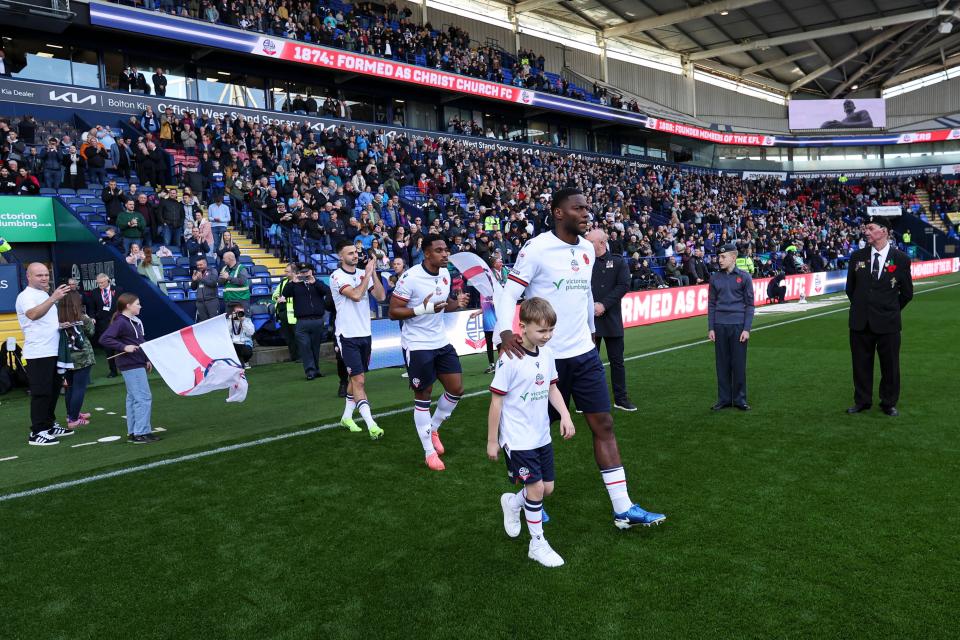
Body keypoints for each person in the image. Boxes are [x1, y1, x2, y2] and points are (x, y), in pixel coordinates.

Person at [495, 188, 666, 529]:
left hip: (584, 355)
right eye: (578, 208)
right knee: (533, 432)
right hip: (544, 359)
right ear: (559, 213)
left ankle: (623, 508)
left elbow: (586, 293)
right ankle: (524, 498)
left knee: (604, 424)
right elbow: (509, 292)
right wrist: (504, 334)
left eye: (587, 207)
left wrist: (590, 331)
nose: (586, 213)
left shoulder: (587, 249)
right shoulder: (537, 248)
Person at [487, 297, 575, 568]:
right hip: (517, 438)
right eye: (542, 330)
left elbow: (552, 388)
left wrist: (565, 415)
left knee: (547, 489)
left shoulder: (547, 354)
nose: (547, 336)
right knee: (535, 488)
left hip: (541, 435)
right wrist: (492, 440)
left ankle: (513, 504)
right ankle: (537, 544)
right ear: (523, 327)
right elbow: (496, 401)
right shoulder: (509, 359)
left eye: (551, 330)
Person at [388, 234, 470, 471]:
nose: (445, 254)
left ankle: (433, 429)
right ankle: (429, 452)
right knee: (424, 395)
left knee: (456, 389)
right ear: (426, 253)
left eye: (446, 249)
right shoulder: (410, 277)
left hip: (440, 341)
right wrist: (421, 309)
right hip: (417, 344)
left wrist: (457, 303)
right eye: (439, 250)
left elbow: (443, 306)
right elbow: (393, 312)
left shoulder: (445, 274)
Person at [845, 216, 913, 417]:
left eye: (870, 228)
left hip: (888, 322)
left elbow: (907, 293)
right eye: (865, 228)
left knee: (890, 366)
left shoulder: (901, 259)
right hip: (860, 322)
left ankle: (888, 402)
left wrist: (889, 309)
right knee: (860, 365)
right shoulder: (857, 256)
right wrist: (863, 307)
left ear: (884, 231)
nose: (866, 231)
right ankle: (862, 401)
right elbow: (850, 289)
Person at [330, 239, 387, 438]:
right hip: (347, 335)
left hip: (365, 333)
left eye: (355, 252)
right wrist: (367, 274)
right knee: (359, 380)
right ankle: (372, 425)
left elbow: (381, 296)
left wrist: (374, 273)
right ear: (341, 256)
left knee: (355, 379)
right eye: (350, 253)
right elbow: (355, 295)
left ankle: (346, 417)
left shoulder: (364, 273)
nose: (355, 255)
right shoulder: (336, 276)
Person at [15, 263, 75, 445]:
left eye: (46, 274)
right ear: (29, 276)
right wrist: (54, 298)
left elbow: (44, 322)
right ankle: (37, 432)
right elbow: (33, 315)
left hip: (53, 350)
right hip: (38, 353)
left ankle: (48, 425)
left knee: (53, 390)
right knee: (41, 392)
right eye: (39, 275)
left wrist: (60, 325)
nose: (44, 278)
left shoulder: (43, 294)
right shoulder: (25, 296)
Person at [587, 229, 636, 412]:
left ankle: (620, 399)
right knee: (588, 363)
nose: (586, 244)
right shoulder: (584, 262)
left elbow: (623, 285)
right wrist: (590, 306)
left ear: (601, 243)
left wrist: (603, 305)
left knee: (617, 362)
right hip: (589, 321)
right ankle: (588, 400)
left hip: (611, 319)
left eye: (590, 242)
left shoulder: (618, 261)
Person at [100, 293, 158, 443]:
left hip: (135, 363)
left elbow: (139, 342)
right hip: (131, 364)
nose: (140, 306)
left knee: (133, 398)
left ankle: (134, 432)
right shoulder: (121, 322)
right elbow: (104, 339)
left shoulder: (133, 322)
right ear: (128, 306)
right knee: (143, 398)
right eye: (137, 304)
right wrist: (124, 347)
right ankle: (141, 432)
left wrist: (146, 359)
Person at [707, 243, 755, 411]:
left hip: (738, 326)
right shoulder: (714, 278)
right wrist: (711, 327)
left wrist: (746, 329)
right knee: (722, 364)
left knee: (738, 364)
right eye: (719, 257)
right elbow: (711, 304)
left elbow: (750, 305)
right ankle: (724, 399)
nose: (719, 260)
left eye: (723, 257)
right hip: (720, 326)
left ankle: (740, 399)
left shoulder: (745, 277)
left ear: (733, 257)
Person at [282, 263, 332, 380]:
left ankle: (316, 370)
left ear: (311, 271)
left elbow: (327, 291)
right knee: (305, 346)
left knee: (315, 347)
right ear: (298, 273)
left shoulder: (317, 283)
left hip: (317, 320)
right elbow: (285, 293)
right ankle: (310, 371)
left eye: (307, 271)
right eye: (302, 272)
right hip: (302, 321)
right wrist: (293, 282)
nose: (305, 274)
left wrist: (315, 282)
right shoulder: (294, 285)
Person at [58, 291, 96, 428]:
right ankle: (73, 419)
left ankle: (71, 414)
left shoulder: (57, 317)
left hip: (66, 357)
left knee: (70, 388)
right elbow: (91, 332)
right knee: (79, 388)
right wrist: (89, 320)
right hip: (82, 357)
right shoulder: (82, 317)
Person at [84, 273, 122, 377]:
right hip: (103, 322)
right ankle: (113, 371)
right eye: (98, 283)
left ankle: (124, 367)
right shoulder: (94, 292)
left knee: (121, 345)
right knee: (108, 347)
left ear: (108, 281)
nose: (100, 285)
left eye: (102, 282)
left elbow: (122, 305)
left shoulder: (118, 290)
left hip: (117, 321)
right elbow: (92, 307)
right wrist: (92, 317)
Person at [271, 263, 299, 362]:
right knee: (288, 337)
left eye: (287, 271)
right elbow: (274, 295)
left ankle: (301, 356)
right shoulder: (283, 282)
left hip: (296, 314)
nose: (285, 273)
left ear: (294, 272)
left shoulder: (299, 281)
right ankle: (293, 356)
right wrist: (278, 298)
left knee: (298, 336)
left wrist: (285, 299)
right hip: (284, 313)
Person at [190, 256, 220, 321]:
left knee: (214, 321)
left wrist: (201, 279)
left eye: (201, 265)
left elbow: (213, 283)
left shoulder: (212, 271)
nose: (199, 266)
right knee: (203, 322)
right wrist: (194, 281)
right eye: (197, 265)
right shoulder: (197, 273)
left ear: (205, 264)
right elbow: (193, 288)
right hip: (200, 302)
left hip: (211, 301)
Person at [227, 302, 255, 368]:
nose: (240, 314)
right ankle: (237, 363)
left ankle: (245, 361)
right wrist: (231, 320)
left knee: (247, 352)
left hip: (244, 343)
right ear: (233, 312)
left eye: (241, 312)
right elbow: (226, 333)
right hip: (233, 343)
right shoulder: (229, 320)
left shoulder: (247, 320)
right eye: (237, 312)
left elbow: (251, 333)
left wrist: (243, 321)